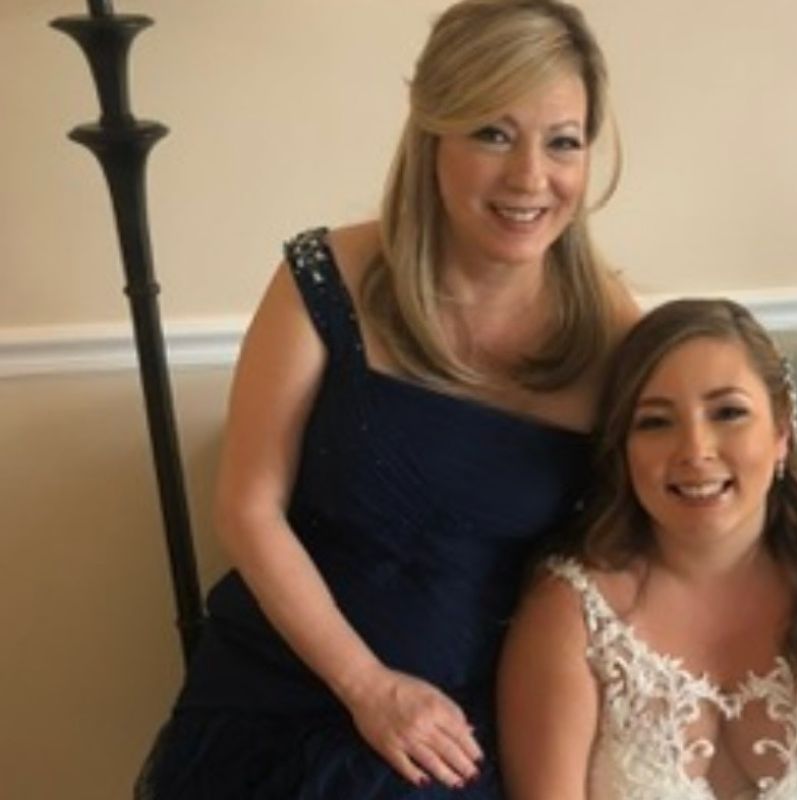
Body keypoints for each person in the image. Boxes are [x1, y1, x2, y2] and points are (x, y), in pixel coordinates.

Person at [136, 1, 637, 797]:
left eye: (563, 142)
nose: (530, 178)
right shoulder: (325, 278)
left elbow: (679, 529)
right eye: (493, 133)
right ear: (432, 133)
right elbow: (248, 506)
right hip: (287, 692)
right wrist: (367, 686)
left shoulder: (615, 336)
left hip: (467, 726)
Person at [498, 299, 797, 800]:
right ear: (623, 450)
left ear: (781, 433)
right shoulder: (570, 610)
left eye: (728, 413)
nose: (695, 450)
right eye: (655, 422)